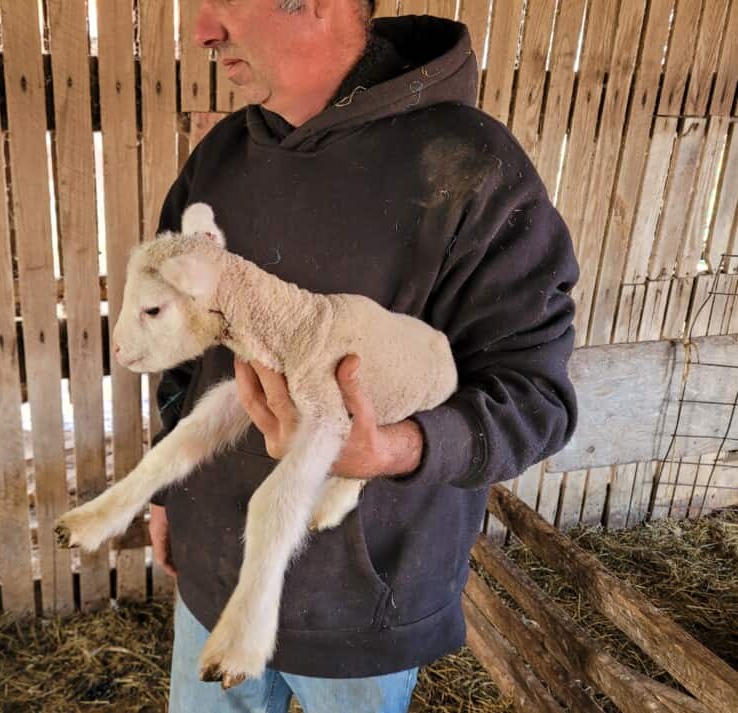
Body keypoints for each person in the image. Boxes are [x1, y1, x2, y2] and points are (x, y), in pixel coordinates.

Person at [147, 1, 579, 711]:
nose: (201, 31)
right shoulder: (221, 157)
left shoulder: (471, 168)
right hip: (218, 574)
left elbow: (536, 396)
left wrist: (392, 448)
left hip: (362, 606)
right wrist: (168, 491)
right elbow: (178, 357)